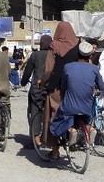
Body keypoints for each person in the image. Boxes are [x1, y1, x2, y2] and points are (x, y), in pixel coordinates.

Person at [49, 42, 104, 144]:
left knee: (58, 119)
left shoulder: (68, 67)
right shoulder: (94, 68)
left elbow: (63, 86)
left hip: (70, 106)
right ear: (90, 56)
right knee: (87, 117)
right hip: (86, 107)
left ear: (77, 53)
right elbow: (102, 87)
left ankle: (71, 130)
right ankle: (90, 129)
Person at [39, 21, 79, 160]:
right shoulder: (78, 45)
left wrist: (42, 82)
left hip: (57, 87)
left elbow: (49, 69)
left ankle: (55, 150)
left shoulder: (54, 46)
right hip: (74, 86)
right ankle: (73, 132)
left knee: (52, 115)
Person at [21, 34, 52, 148]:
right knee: (50, 113)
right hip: (50, 89)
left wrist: (23, 82)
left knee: (35, 112)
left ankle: (35, 138)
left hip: (37, 89)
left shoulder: (35, 55)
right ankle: (49, 138)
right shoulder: (54, 55)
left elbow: (28, 71)